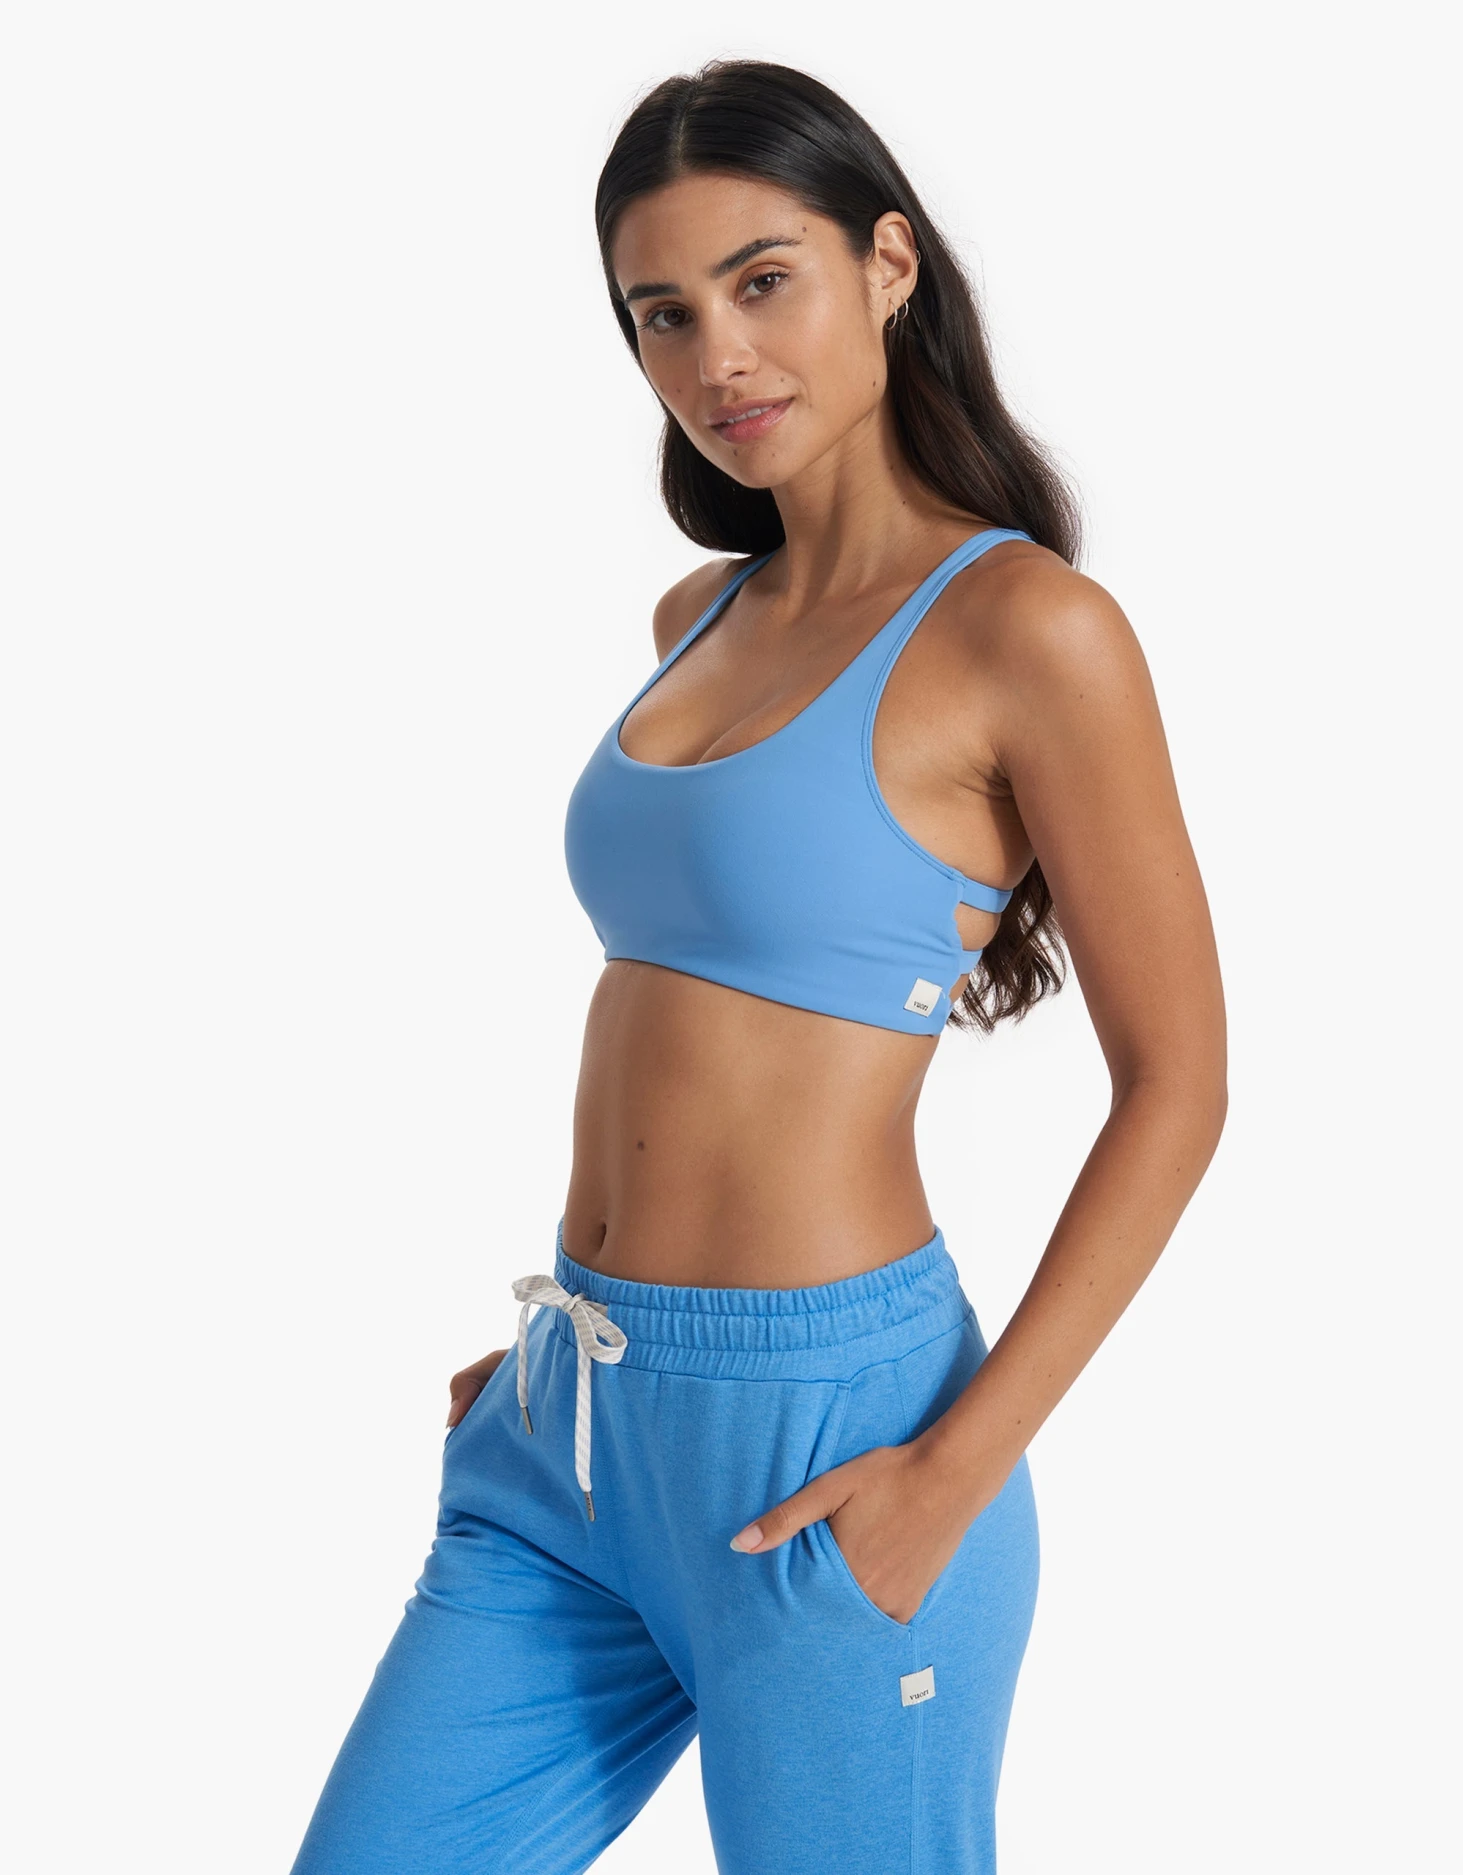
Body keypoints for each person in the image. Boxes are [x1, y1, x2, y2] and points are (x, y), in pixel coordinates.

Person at [289, 57, 1227, 1875]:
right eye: (663, 312)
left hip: (830, 1442)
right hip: (571, 1422)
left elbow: (1181, 1084)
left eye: (762, 279)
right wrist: (580, 1365)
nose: (717, 354)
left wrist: (953, 1473)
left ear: (890, 264)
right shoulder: (696, 615)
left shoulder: (1030, 628)